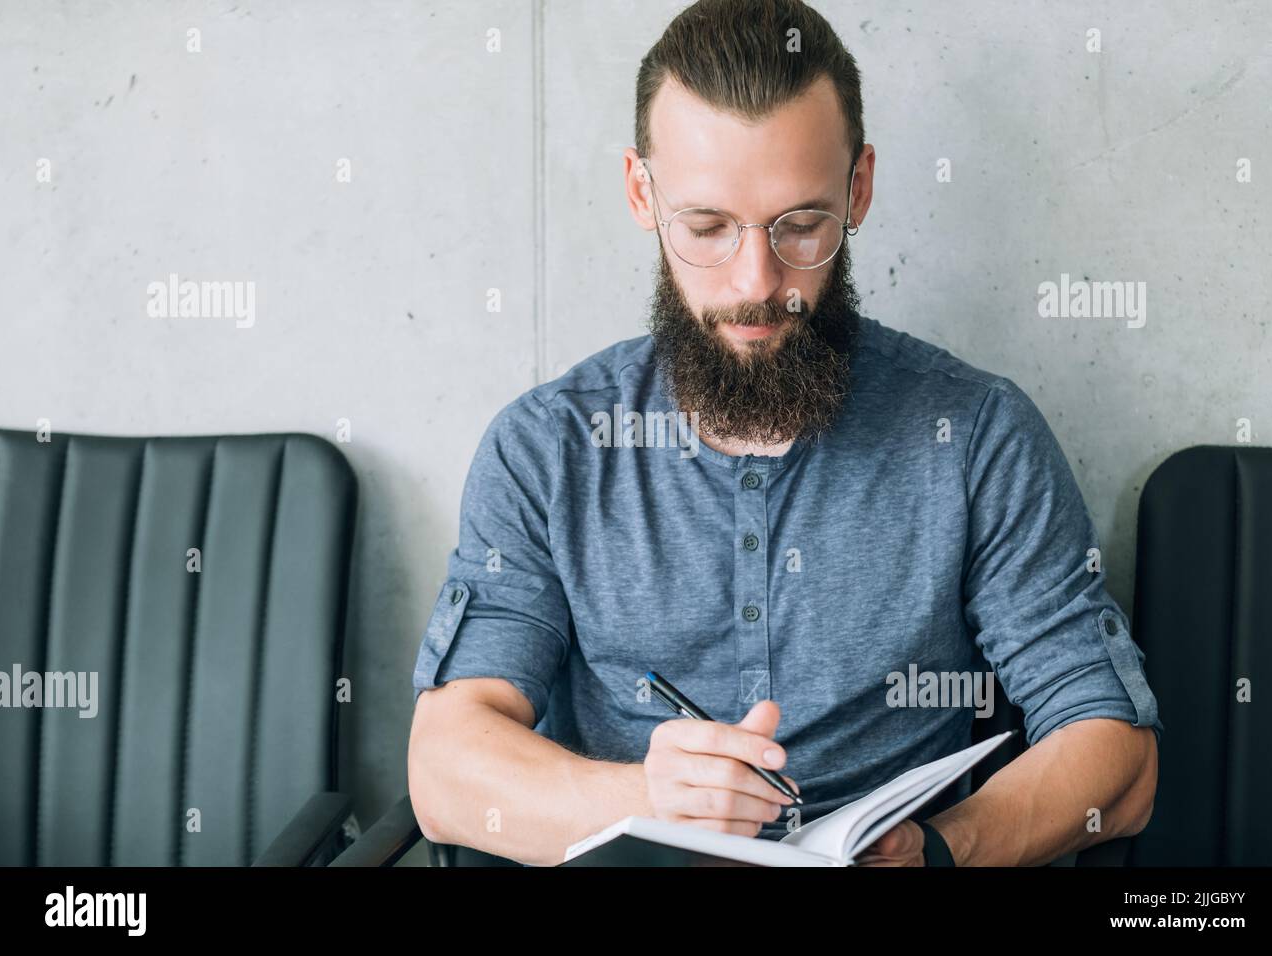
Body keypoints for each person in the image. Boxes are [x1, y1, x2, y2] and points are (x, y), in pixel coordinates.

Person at [408, 0, 1161, 867]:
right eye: (707, 228)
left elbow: (1120, 758)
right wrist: (648, 800)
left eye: (801, 224)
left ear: (859, 189)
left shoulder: (976, 436)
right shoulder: (546, 450)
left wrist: (945, 849)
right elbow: (444, 769)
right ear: (640, 193)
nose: (759, 282)